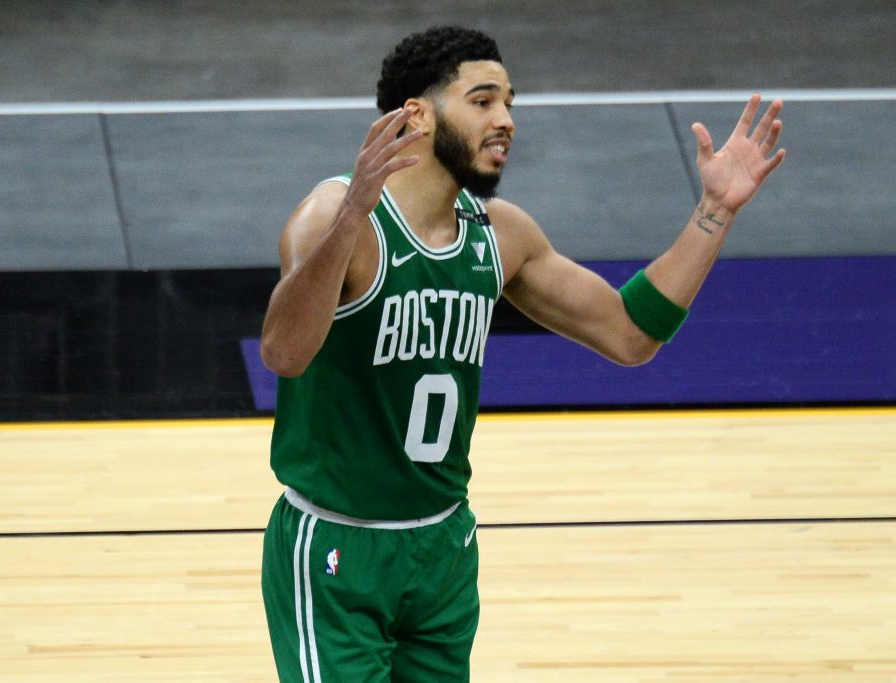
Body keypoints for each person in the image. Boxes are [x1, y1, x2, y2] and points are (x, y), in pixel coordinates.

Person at [258, 25, 785, 683]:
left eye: (509, 102)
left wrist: (714, 211)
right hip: (336, 545)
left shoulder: (502, 235)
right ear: (416, 114)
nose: (506, 120)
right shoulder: (333, 213)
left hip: (444, 545)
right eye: (483, 101)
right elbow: (283, 351)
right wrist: (350, 221)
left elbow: (628, 333)